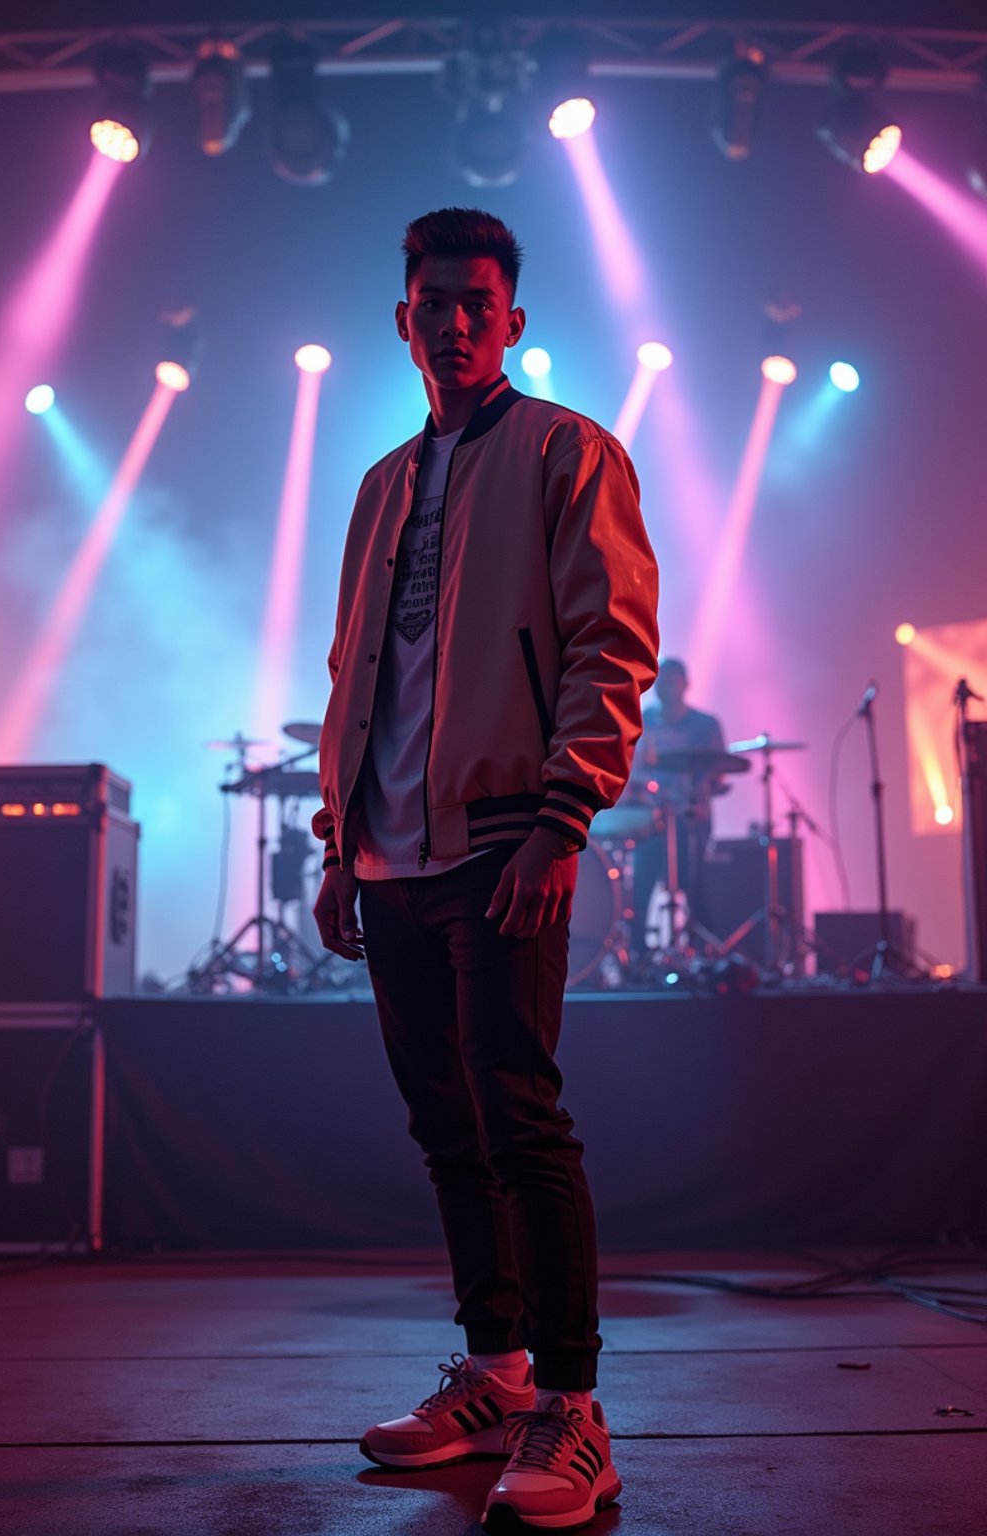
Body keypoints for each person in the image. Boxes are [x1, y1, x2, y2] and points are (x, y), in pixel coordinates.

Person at [312, 207, 658, 1533]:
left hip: (508, 833)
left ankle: (573, 1409)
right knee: (449, 1127)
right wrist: (342, 842)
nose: (452, 320)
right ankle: (499, 1372)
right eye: (430, 302)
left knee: (520, 1112)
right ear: (401, 320)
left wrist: (565, 820)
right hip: (391, 854)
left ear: (512, 320)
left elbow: (609, 646)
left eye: (476, 301)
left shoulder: (571, 455)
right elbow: (358, 677)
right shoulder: (381, 487)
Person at [624, 656, 726, 948]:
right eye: (659, 681)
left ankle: (704, 954)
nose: (663, 687)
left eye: (670, 681)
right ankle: (638, 959)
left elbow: (719, 773)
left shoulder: (705, 725)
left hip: (691, 820)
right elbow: (632, 771)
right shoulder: (641, 721)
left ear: (685, 684)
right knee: (641, 888)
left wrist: (703, 791)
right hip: (650, 820)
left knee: (694, 888)